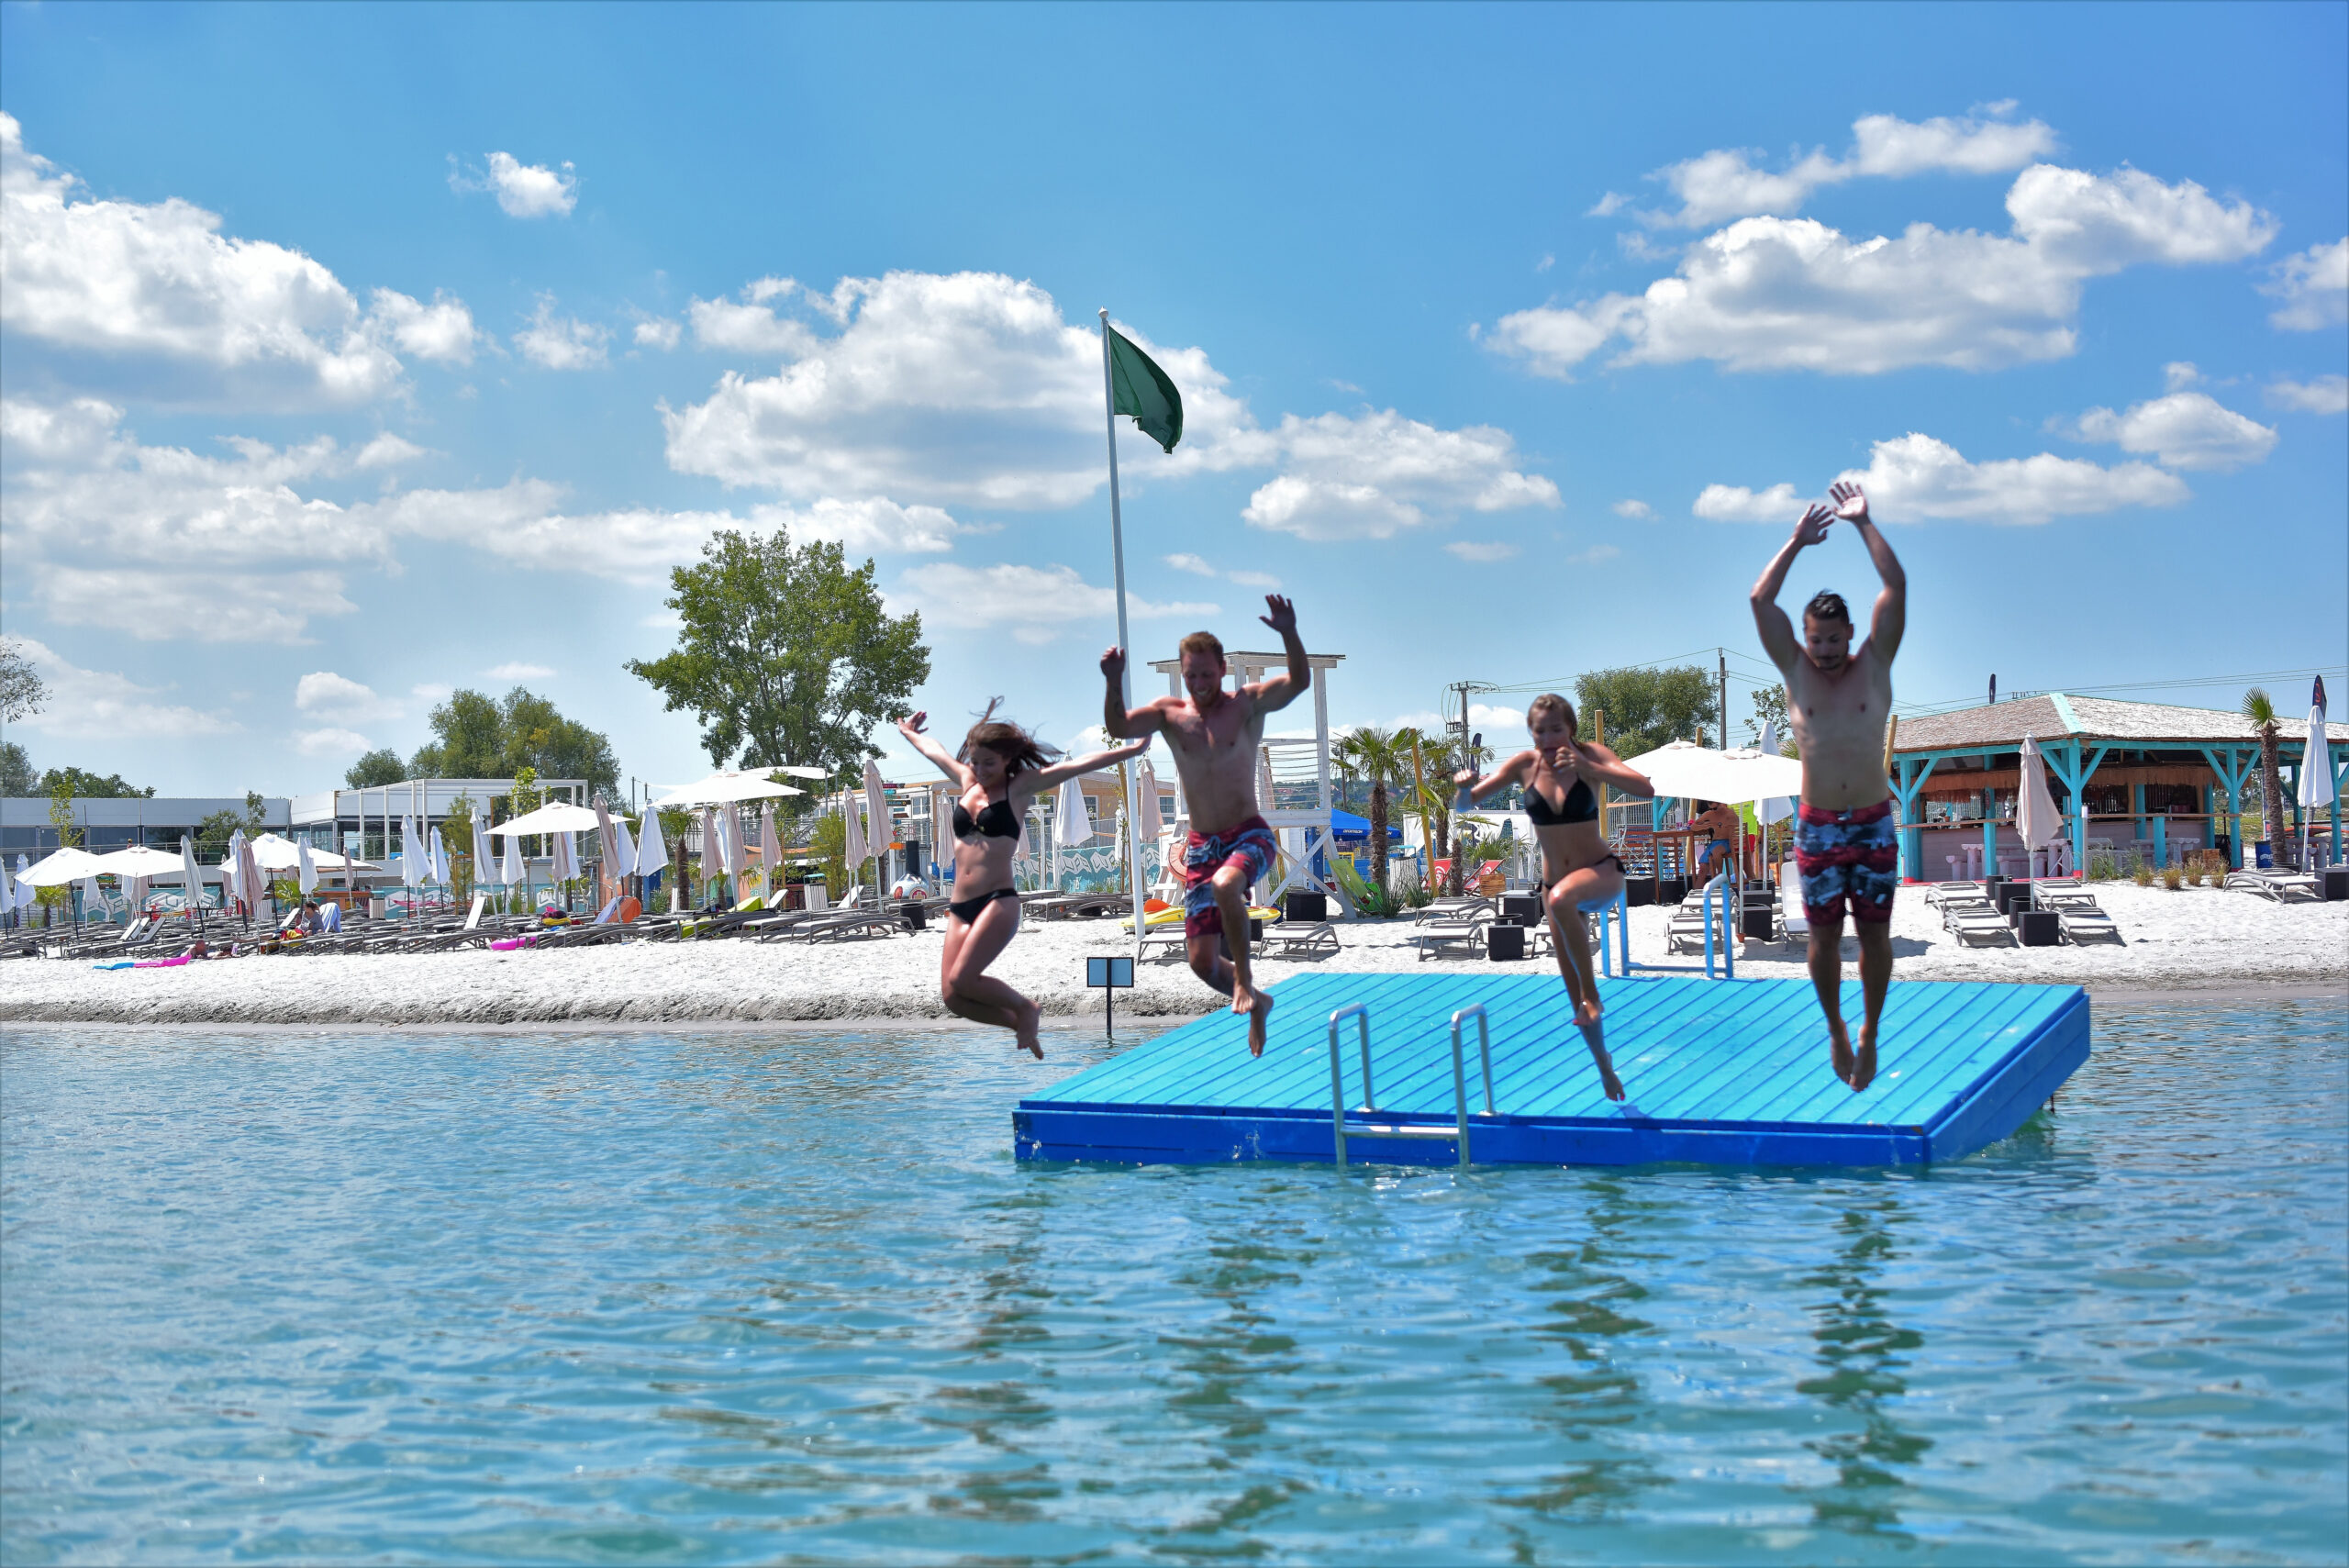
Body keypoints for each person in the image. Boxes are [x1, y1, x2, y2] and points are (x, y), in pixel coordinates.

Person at [1101, 596, 1309, 1057]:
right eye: (1190, 675)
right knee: (1199, 963)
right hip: (1200, 845)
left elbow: (1298, 681)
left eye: (1207, 675)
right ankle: (1258, 1003)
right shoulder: (1171, 716)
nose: (1198, 684)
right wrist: (1113, 680)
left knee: (1226, 884)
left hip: (1249, 834)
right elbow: (1118, 726)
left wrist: (1289, 633)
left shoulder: (1248, 706)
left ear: (1223, 670)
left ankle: (1245, 981)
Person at [1751, 479, 1908, 1092]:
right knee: (1822, 939)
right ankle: (1837, 1028)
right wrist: (1795, 541)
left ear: (1850, 636)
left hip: (1871, 820)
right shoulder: (1794, 669)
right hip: (1817, 822)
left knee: (1874, 935)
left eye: (1832, 640)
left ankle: (1870, 1028)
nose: (1822, 650)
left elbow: (1895, 588)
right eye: (1813, 639)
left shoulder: (1875, 664)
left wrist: (1865, 523)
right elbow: (1761, 602)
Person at [896, 705, 1148, 1059]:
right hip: (960, 907)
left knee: (964, 981)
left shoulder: (1020, 787)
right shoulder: (969, 782)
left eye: (990, 763)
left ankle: (1027, 1009)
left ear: (1008, 759)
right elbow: (934, 752)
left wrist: (1132, 751)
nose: (981, 770)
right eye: (976, 761)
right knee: (953, 998)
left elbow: (1076, 766)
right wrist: (909, 734)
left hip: (998, 901)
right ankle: (1016, 1022)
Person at [1455, 694, 1654, 1100]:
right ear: (1531, 732)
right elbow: (1463, 807)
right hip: (1554, 890)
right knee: (1577, 1007)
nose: (1547, 738)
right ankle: (1605, 1070)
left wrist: (1587, 767)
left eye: (1556, 729)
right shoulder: (1524, 765)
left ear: (1572, 729)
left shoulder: (1591, 754)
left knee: (1563, 903)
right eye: (1539, 730)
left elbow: (1646, 789)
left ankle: (1595, 995)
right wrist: (1463, 788)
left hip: (1601, 873)